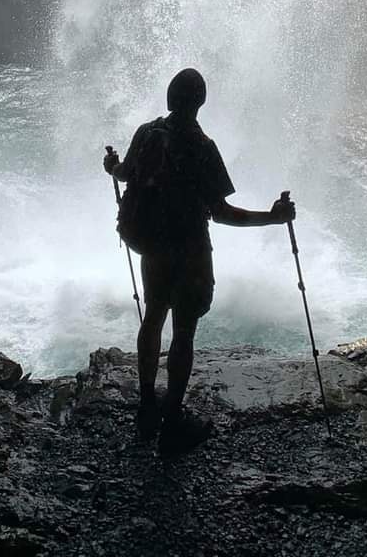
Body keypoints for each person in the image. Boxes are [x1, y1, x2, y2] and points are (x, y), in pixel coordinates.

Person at [103, 66, 295, 455]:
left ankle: (146, 406)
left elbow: (125, 174)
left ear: (170, 99)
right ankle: (172, 420)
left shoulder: (146, 133)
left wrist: (111, 166)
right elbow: (222, 213)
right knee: (184, 334)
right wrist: (272, 218)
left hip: (153, 247)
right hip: (189, 252)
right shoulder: (202, 147)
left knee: (153, 315)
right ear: (200, 103)